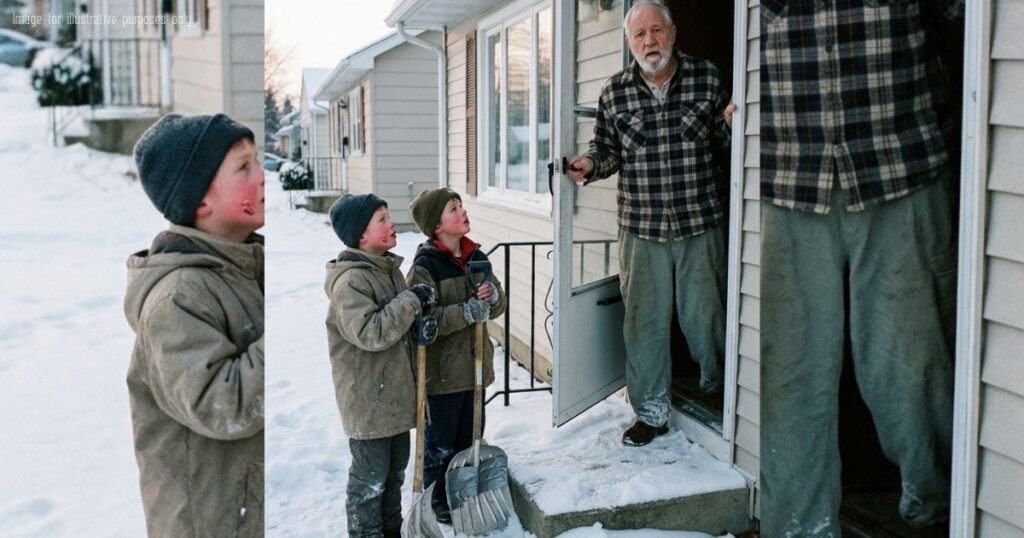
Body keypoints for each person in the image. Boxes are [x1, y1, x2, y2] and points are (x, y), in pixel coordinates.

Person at [759, 0, 964, 534]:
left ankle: (936, 508)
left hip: (900, 165)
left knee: (911, 360)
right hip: (790, 179)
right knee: (791, 375)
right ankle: (801, 527)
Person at [566, 0, 736, 447]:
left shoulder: (707, 77)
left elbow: (726, 145)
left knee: (707, 316)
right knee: (643, 323)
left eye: (656, 31)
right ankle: (651, 411)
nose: (649, 41)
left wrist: (735, 125)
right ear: (629, 42)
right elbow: (606, 149)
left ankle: (719, 388)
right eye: (639, 34)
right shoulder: (614, 91)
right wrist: (588, 164)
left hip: (701, 218)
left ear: (673, 32)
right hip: (641, 228)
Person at [124, 113, 265, 537]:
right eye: (244, 168)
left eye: (258, 163)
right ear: (199, 201)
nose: (262, 177)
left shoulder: (242, 267)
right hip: (206, 521)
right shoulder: (179, 297)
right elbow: (224, 405)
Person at [324, 193, 437, 537]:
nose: (392, 224)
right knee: (369, 483)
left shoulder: (388, 270)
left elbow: (397, 326)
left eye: (389, 216)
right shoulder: (351, 282)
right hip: (369, 401)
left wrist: (421, 326)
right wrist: (410, 301)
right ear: (361, 235)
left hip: (395, 396)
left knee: (393, 477)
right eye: (382, 219)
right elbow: (371, 333)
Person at [406, 188, 507, 524]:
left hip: (475, 367)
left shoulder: (477, 257)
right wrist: (465, 311)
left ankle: (465, 491)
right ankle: (437, 500)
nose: (463, 211)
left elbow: (498, 305)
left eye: (461, 205)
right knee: (440, 444)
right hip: (443, 375)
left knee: (471, 435)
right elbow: (424, 321)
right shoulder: (425, 267)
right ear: (437, 226)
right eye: (453, 208)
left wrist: (492, 296)